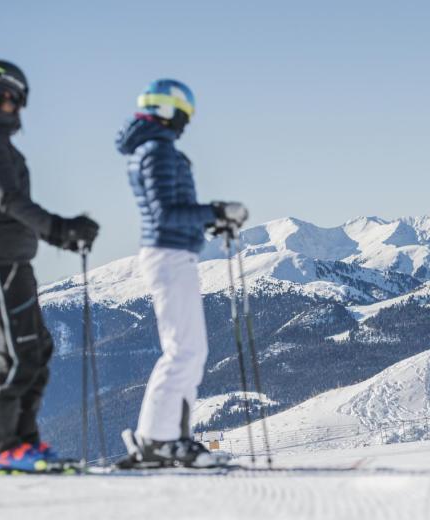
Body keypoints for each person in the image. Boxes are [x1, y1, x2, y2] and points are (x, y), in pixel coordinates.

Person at [0, 60, 100, 471]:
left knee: (37, 348)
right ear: (8, 95)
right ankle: (0, 448)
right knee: (19, 352)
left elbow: (10, 204)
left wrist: (60, 233)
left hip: (13, 259)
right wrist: (59, 229)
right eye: (19, 99)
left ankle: (21, 441)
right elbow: (7, 200)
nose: (20, 108)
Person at [114, 78, 248, 468]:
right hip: (170, 256)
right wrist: (217, 212)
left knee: (188, 350)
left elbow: (171, 211)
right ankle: (161, 440)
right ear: (169, 111)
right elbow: (166, 213)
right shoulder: (157, 152)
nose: (186, 121)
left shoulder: (153, 149)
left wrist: (209, 221)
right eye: (184, 113)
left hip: (172, 252)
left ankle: (164, 439)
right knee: (184, 351)